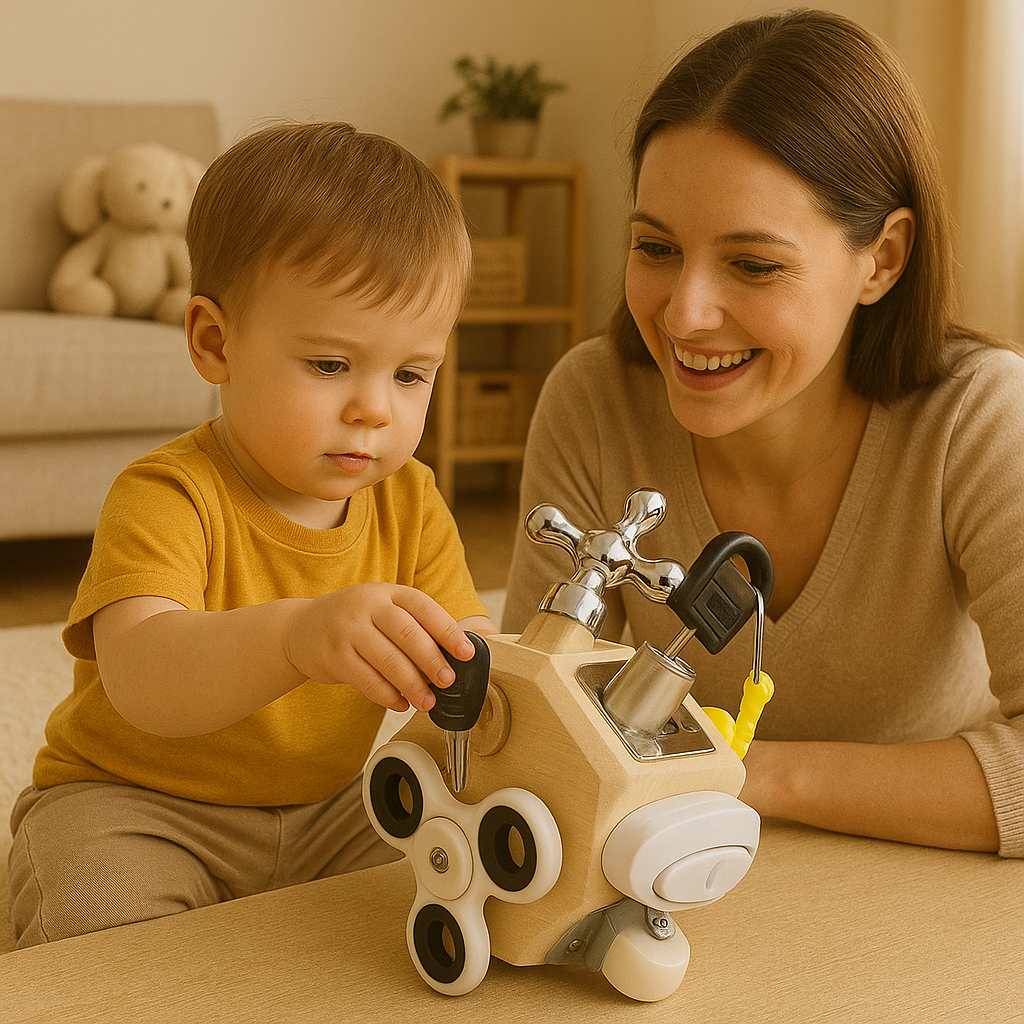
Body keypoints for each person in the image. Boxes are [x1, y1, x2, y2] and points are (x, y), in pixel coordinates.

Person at [503, 9, 1024, 858]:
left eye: (753, 264)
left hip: (934, 881)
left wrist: (748, 770)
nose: (684, 313)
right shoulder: (593, 399)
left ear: (882, 260)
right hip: (674, 862)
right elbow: (537, 733)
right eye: (656, 247)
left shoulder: (981, 417)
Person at [8, 122, 495, 947]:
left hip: (331, 807)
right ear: (214, 342)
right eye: (331, 365)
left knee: (459, 881)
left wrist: (491, 674)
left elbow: (469, 645)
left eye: (411, 374)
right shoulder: (168, 494)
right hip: (139, 802)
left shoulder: (411, 501)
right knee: (95, 926)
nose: (375, 408)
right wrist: (298, 636)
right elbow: (143, 676)